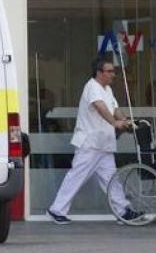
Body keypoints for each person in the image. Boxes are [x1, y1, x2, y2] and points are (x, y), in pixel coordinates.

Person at [47, 55, 139, 224]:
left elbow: (114, 108)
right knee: (76, 177)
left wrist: (125, 121)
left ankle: (123, 211)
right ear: (99, 72)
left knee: (112, 179)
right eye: (110, 71)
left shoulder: (107, 89)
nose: (113, 74)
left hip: (104, 144)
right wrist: (114, 123)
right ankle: (56, 210)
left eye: (114, 71)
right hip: (90, 143)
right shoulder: (92, 87)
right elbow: (100, 108)